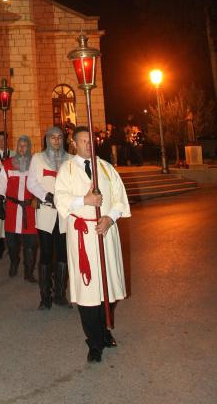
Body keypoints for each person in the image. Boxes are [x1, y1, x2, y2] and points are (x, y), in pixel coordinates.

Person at [54, 126, 131, 363]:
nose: (89, 144)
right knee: (88, 291)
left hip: (106, 232)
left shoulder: (106, 168)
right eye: (83, 141)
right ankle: (94, 342)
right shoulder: (67, 169)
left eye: (91, 140)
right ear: (74, 143)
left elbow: (119, 199)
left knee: (110, 286)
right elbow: (60, 199)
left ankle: (104, 329)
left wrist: (110, 218)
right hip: (83, 235)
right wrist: (84, 200)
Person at [27, 126, 70, 309]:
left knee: (63, 253)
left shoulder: (70, 159)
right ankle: (45, 297)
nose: (56, 140)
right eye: (53, 137)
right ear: (47, 139)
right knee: (45, 253)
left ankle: (60, 295)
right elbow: (31, 183)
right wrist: (47, 196)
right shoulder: (38, 159)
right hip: (46, 212)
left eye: (59, 137)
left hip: (64, 214)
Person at [0, 135, 38, 282]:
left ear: (29, 147)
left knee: (30, 244)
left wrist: (38, 199)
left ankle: (29, 272)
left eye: (25, 145)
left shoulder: (35, 164)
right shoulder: (8, 164)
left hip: (29, 209)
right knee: (12, 243)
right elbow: (2, 183)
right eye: (20, 145)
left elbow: (41, 184)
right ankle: (14, 262)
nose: (22, 148)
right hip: (12, 208)